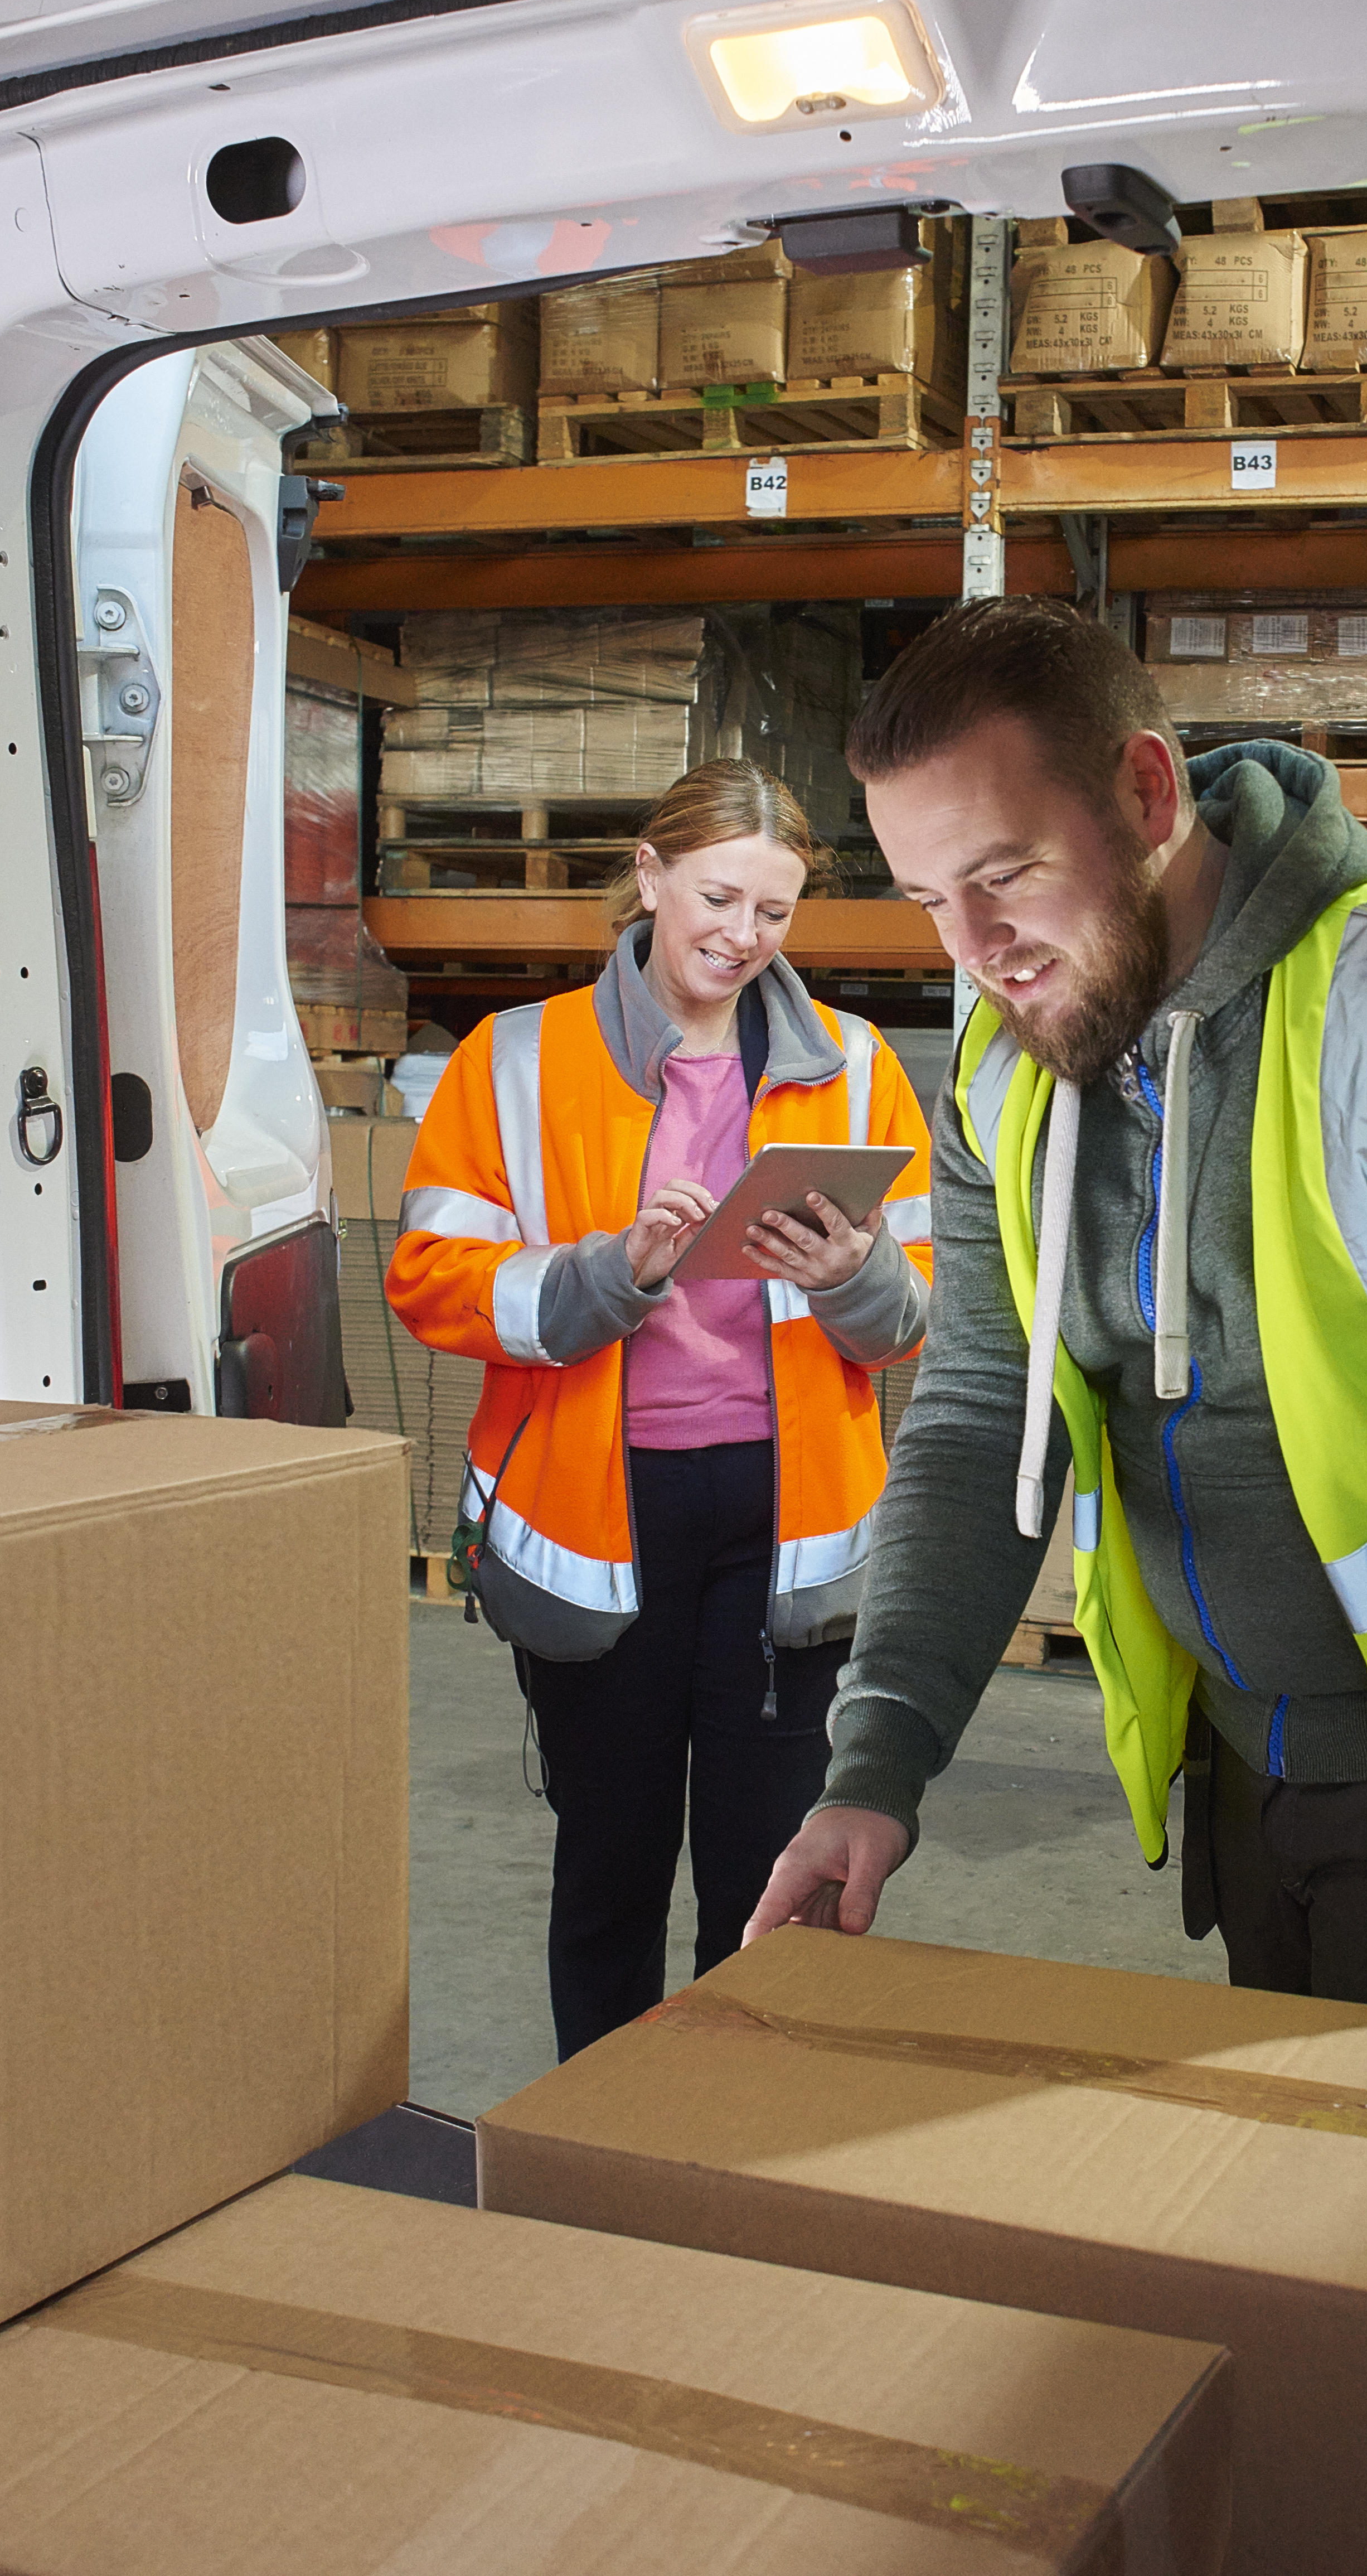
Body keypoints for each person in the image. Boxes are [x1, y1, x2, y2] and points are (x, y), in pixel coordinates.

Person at [739, 598, 1367, 2191]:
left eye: (1001, 878)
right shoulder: (1011, 1064)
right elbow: (985, 1419)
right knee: (1293, 2242)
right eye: (926, 901)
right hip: (1245, 1786)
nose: (972, 957)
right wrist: (878, 1768)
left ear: (1141, 794)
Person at [388, 758, 935, 2056]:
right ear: (647, 875)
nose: (742, 937)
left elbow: (911, 1314)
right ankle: (600, 2126)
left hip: (787, 1533)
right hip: (598, 1525)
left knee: (768, 1881)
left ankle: (734, 2141)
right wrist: (605, 1271)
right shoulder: (513, 1059)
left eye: (774, 913)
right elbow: (431, 1279)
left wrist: (850, 1274)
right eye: (717, 897)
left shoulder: (854, 1069)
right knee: (610, 1870)